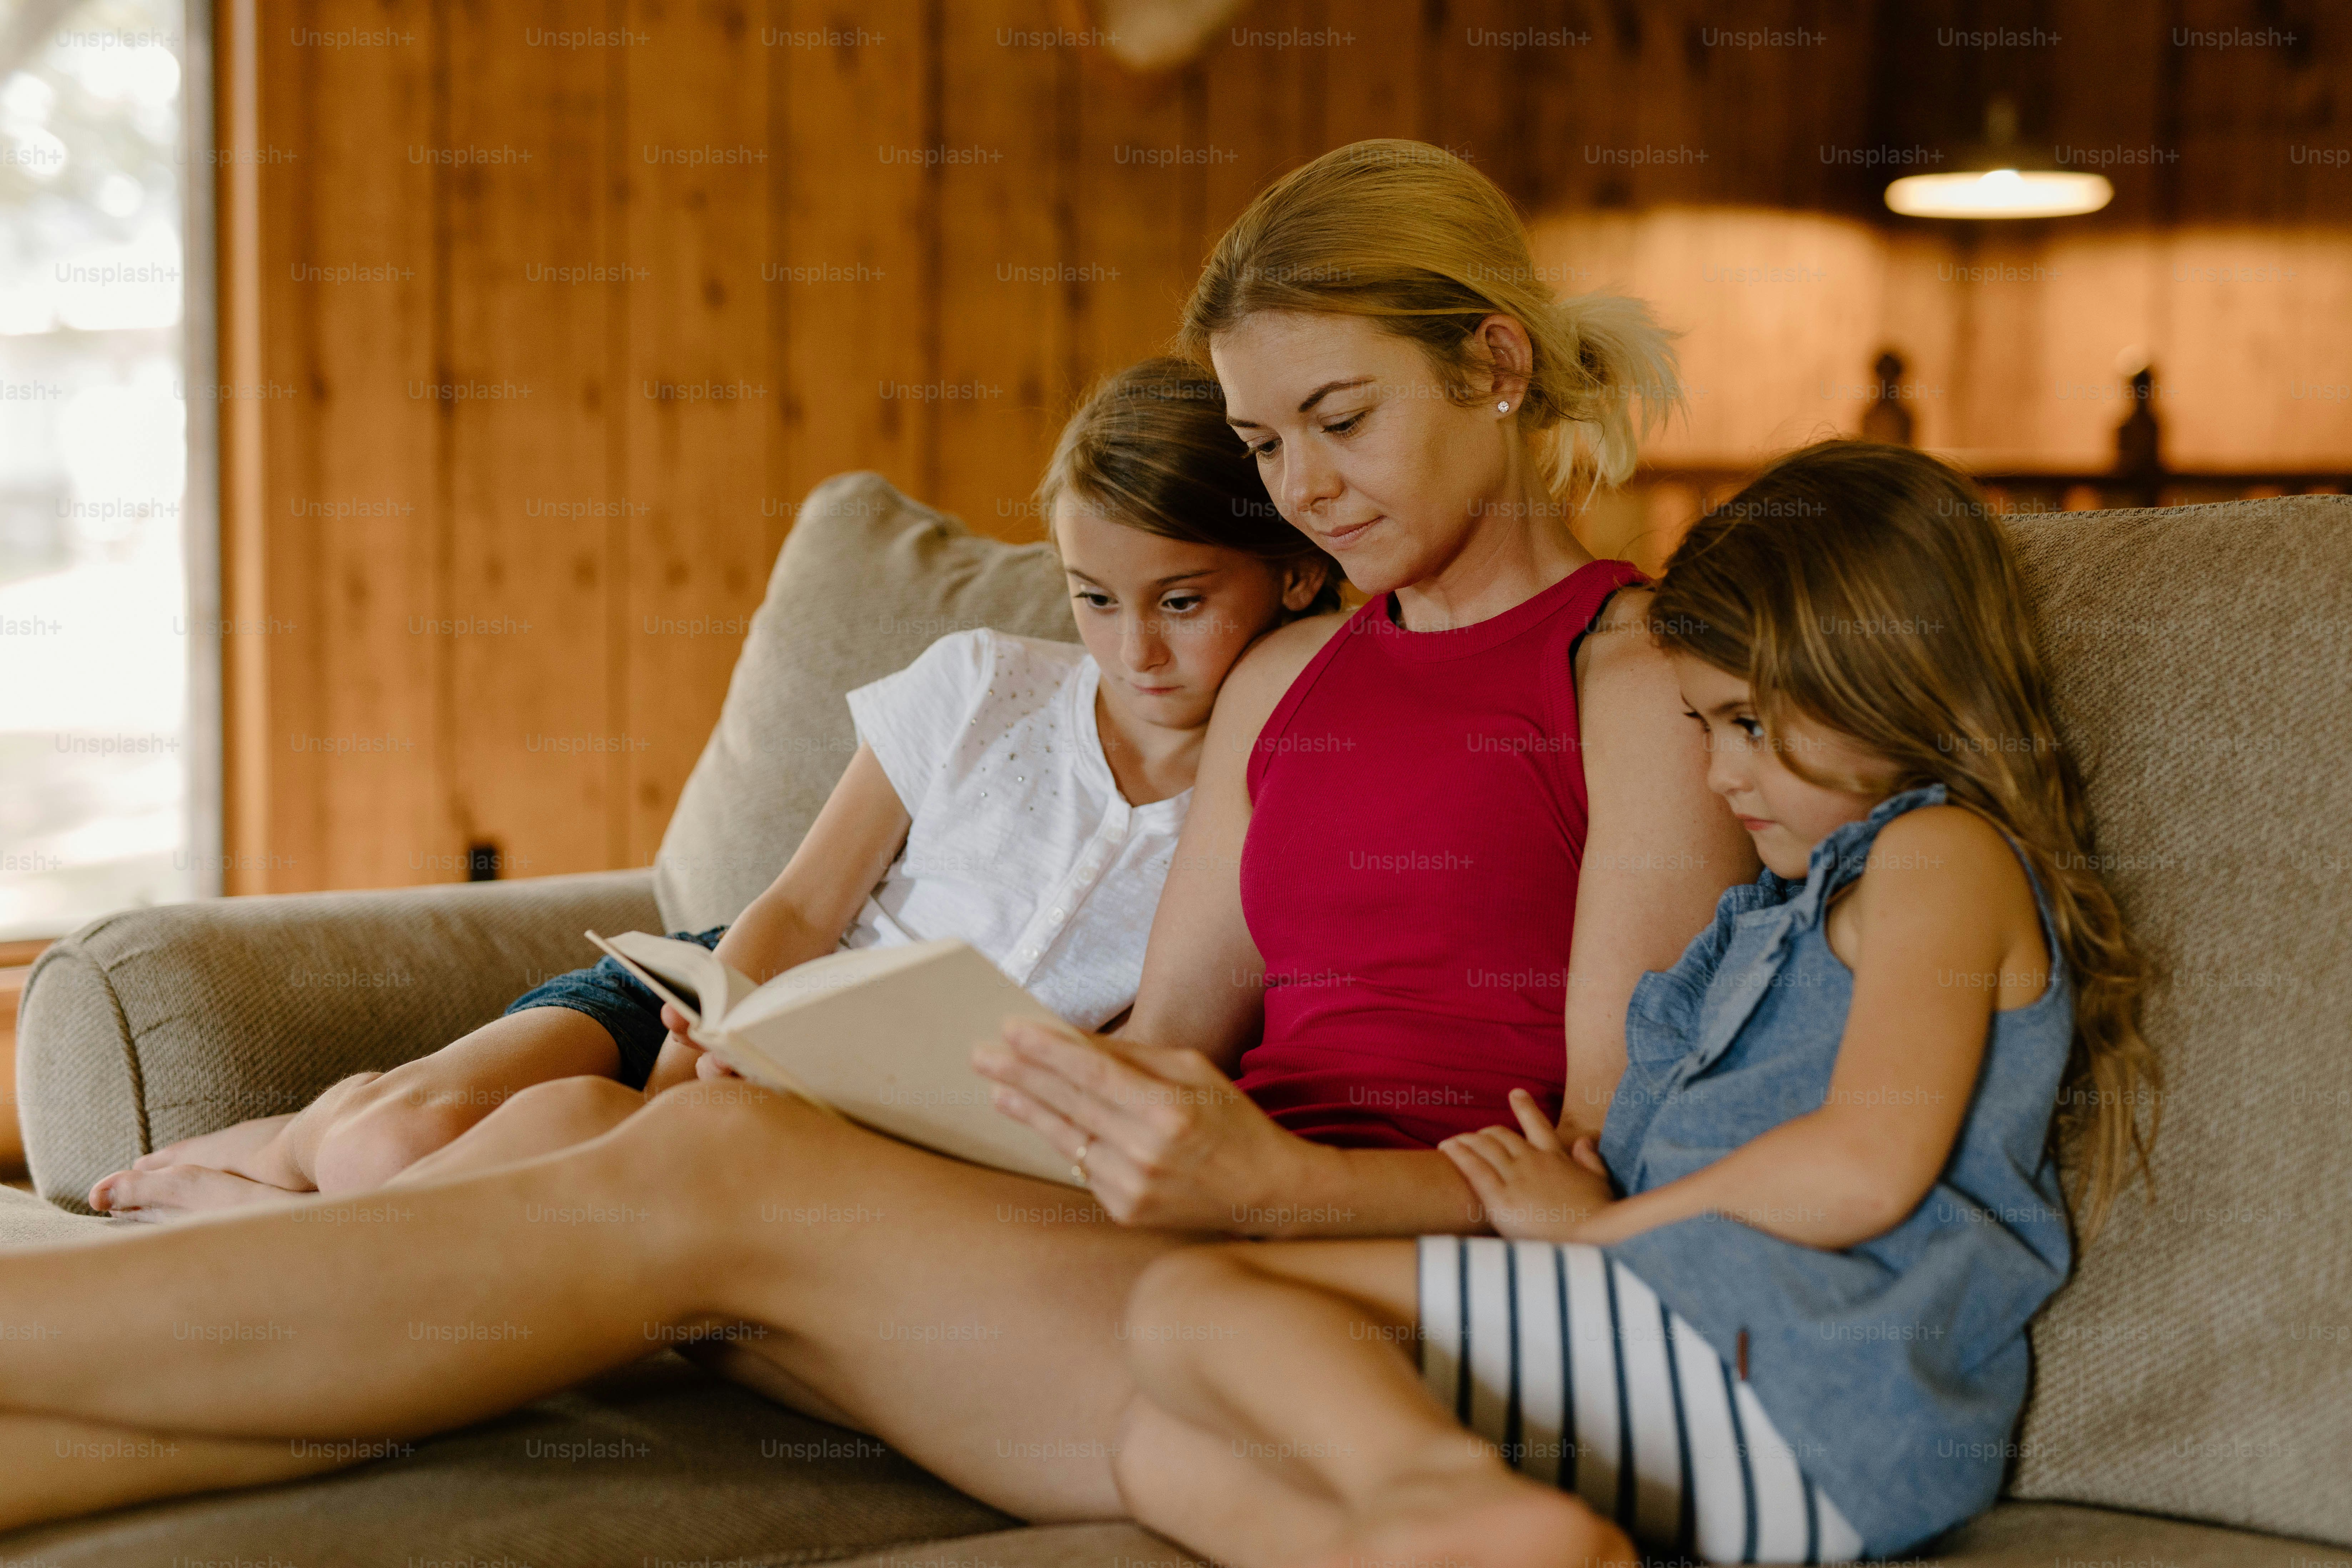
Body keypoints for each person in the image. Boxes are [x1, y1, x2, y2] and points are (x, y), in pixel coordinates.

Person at [0, 139, 1750, 1541]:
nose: (1300, 486)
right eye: (1264, 440)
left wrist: (1260, 1183)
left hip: (1355, 1284)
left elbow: (1604, 1158)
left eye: (1342, 422)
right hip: (1136, 1239)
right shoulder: (1290, 670)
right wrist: (905, 1095)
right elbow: (1157, 1052)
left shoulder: (1639, 678)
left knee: (685, 1174)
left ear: (1497, 364)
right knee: (646, 1173)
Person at [1105, 442, 2162, 1568]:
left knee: (1193, 1299)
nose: (1718, 776)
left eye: (1749, 724)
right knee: (1157, 1449)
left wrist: (1597, 1229)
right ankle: (1481, 1542)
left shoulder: (1938, 857)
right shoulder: (1790, 910)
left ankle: (1442, 1490)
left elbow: (1863, 1165)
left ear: (1891, 680)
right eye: (1706, 728)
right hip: (1700, 1367)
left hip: (1808, 1399)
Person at [86, 358, 1339, 1219]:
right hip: (735, 988)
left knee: (460, 1161)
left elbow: (1152, 1048)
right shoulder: (982, 683)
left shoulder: (1281, 797)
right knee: (384, 1137)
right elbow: (796, 908)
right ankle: (274, 1152)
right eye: (1093, 599)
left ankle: (258, 1216)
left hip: (879, 1097)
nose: (1135, 652)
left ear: (1288, 576)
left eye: (1182, 603)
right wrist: (698, 1059)